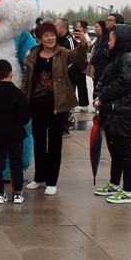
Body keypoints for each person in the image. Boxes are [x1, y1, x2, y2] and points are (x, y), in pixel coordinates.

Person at [21, 19, 89, 195]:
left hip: (57, 105)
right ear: (39, 39)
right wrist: (21, 99)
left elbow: (77, 55)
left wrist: (83, 43)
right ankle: (39, 177)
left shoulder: (62, 53)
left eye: (52, 35)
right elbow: (26, 80)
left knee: (55, 143)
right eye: (46, 35)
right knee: (39, 141)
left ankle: (52, 181)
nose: (50, 38)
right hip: (36, 104)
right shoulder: (32, 55)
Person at [93, 23, 131, 204]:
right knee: (114, 150)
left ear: (120, 40)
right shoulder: (117, 57)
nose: (108, 42)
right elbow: (104, 79)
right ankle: (114, 183)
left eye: (112, 38)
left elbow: (125, 82)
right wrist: (98, 95)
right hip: (112, 112)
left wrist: (103, 96)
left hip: (121, 112)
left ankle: (127, 191)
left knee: (124, 151)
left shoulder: (127, 59)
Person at [0, 58, 31, 204]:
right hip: (15, 134)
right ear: (11, 74)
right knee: (16, 162)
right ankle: (17, 192)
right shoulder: (18, 94)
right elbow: (25, 117)